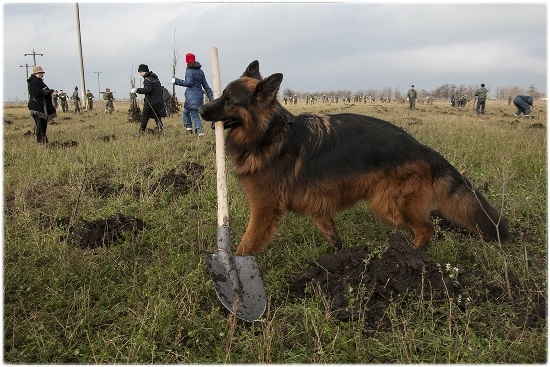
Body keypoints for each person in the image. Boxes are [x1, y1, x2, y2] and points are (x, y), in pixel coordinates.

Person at [173, 53, 214, 136]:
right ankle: (189, 129)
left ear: (187, 61)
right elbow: (206, 86)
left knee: (194, 115)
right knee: (185, 112)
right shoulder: (200, 71)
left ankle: (200, 131)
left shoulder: (189, 71)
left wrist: (176, 81)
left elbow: (189, 83)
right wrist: (211, 97)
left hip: (191, 97)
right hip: (199, 96)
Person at [132, 64, 166, 134]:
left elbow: (148, 90)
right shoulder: (156, 80)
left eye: (140, 72)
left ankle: (141, 132)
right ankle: (161, 131)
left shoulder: (147, 79)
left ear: (143, 71)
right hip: (159, 102)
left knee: (145, 116)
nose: (140, 74)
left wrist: (137, 90)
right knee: (157, 117)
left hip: (150, 102)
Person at [27, 65, 56, 143]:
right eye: (39, 73)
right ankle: (41, 142)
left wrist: (50, 91)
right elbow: (37, 93)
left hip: (40, 107)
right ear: (35, 74)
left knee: (43, 125)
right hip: (37, 107)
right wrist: (49, 91)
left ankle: (43, 141)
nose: (41, 74)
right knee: (40, 125)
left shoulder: (39, 82)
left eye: (42, 73)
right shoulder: (34, 82)